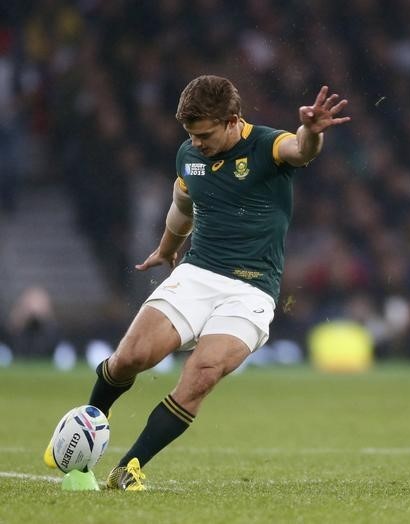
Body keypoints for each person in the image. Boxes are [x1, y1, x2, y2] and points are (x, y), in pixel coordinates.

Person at [43, 75, 350, 490]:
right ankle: (86, 427)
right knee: (130, 357)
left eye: (204, 134)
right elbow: (182, 205)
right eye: (191, 134)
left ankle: (128, 467)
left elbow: (299, 149)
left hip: (251, 290)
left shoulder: (266, 145)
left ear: (232, 120)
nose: (198, 143)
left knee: (202, 373)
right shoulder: (189, 155)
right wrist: (168, 248)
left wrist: (312, 133)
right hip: (198, 272)